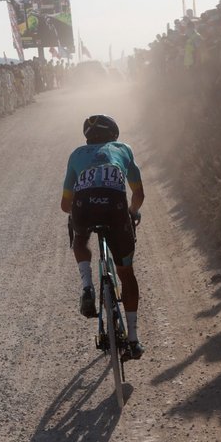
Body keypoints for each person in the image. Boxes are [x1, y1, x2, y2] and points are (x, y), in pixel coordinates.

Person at [61, 115, 145, 359]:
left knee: (79, 237)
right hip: (115, 207)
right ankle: (133, 339)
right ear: (114, 135)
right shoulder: (123, 149)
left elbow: (65, 204)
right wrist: (132, 213)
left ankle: (87, 285)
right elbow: (138, 193)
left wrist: (77, 212)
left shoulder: (76, 155)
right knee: (126, 274)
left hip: (84, 205)